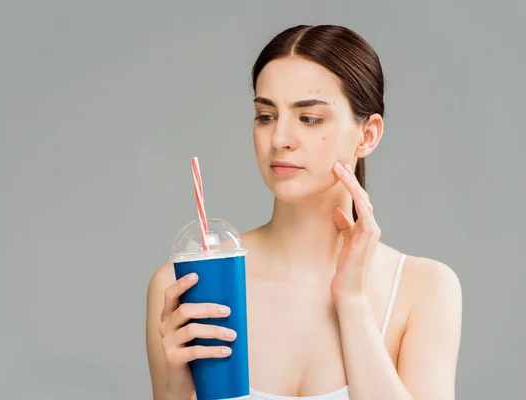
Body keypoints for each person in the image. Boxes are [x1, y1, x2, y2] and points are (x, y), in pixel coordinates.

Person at [145, 24, 462, 400]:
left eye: (309, 119)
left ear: (368, 135)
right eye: (266, 116)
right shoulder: (185, 285)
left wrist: (352, 303)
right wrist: (178, 387)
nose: (279, 139)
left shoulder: (423, 289)